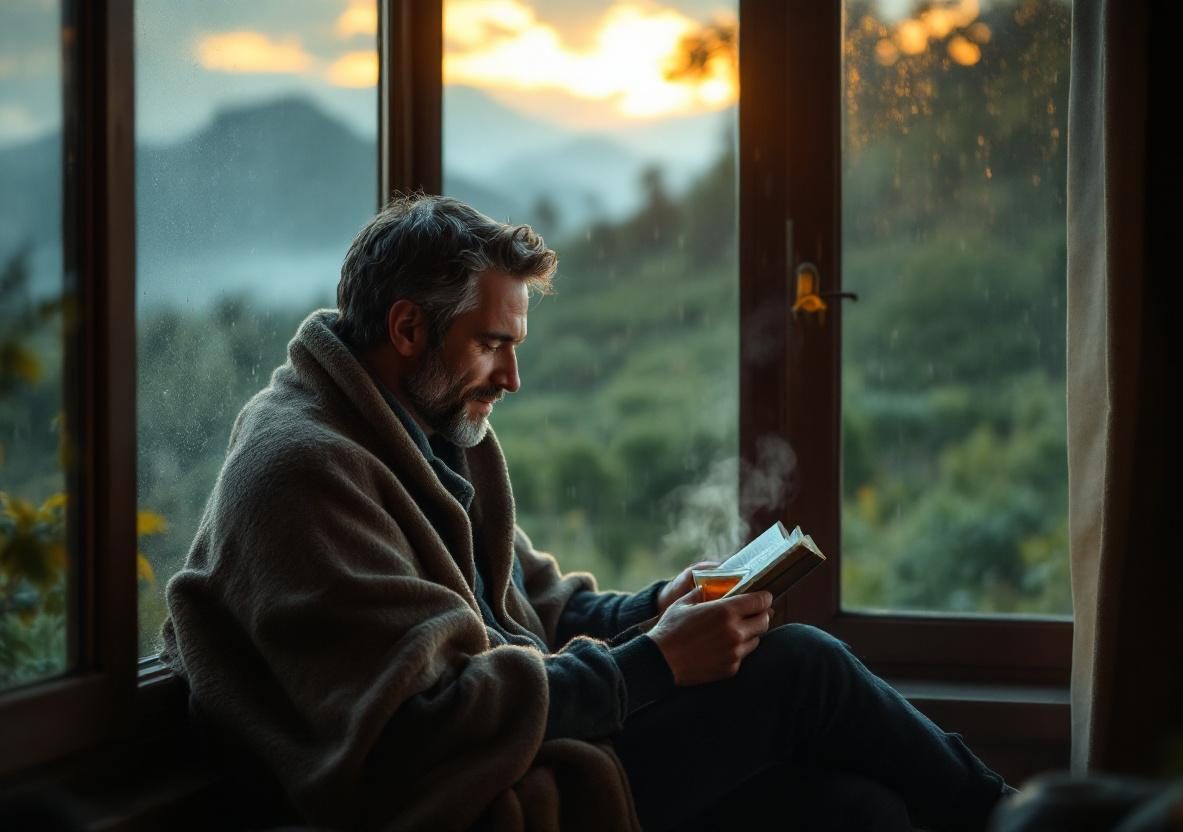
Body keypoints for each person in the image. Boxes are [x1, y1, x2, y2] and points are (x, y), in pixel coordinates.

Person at [161, 194, 1011, 832]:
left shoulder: (427, 429)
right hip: (471, 798)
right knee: (802, 669)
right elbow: (418, 730)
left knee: (860, 813)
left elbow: (539, 607)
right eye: (494, 343)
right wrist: (652, 664)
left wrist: (657, 608)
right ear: (409, 327)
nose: (512, 378)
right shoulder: (305, 471)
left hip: (539, 740)